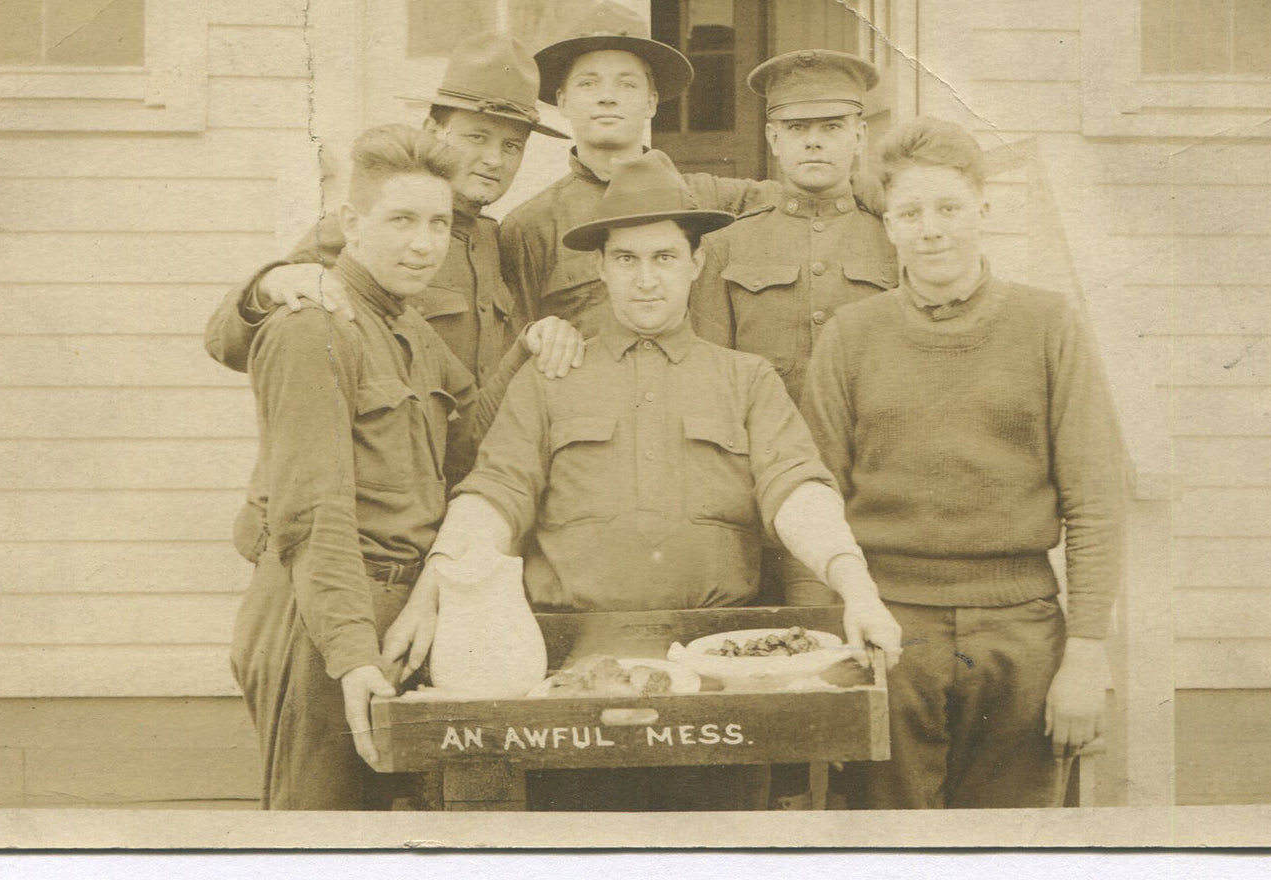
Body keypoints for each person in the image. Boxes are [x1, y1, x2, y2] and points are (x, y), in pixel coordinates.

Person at [383, 150, 903, 811]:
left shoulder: (746, 381)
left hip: (721, 682)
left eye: (662, 258)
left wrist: (855, 587)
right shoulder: (550, 381)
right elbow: (494, 493)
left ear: (696, 264)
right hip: (573, 680)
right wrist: (432, 589)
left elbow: (796, 487)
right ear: (600, 268)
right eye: (625, 260)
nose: (645, 279)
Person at [228, 124, 580, 810]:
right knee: (321, 840)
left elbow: (469, 440)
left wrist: (527, 352)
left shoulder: (405, 326)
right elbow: (311, 515)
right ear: (351, 225)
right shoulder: (315, 326)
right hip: (320, 618)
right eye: (401, 221)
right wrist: (353, 655)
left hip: (388, 614)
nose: (423, 244)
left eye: (438, 224)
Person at [799, 117, 1125, 809]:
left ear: (982, 208)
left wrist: (1086, 652)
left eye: (948, 208)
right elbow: (814, 498)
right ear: (888, 226)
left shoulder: (1047, 325)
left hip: (1020, 637)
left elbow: (1094, 499)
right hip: (886, 635)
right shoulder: (849, 338)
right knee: (880, 853)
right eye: (909, 213)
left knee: (1013, 852)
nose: (931, 230)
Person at [204, 31, 583, 386]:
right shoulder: (369, 225)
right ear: (433, 130)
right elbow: (227, 344)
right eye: (477, 137)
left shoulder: (495, 242)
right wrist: (270, 284)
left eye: (511, 146)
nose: (494, 160)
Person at [499, 1, 782, 338]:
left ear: (651, 102)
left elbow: (805, 198)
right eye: (588, 84)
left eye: (627, 84)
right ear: (562, 101)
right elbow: (519, 341)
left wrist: (862, 189)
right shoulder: (531, 226)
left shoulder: (707, 198)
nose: (607, 97)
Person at [690, 48, 897, 405]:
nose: (813, 140)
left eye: (832, 126)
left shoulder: (894, 239)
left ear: (860, 137)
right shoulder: (725, 245)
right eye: (797, 127)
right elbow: (710, 375)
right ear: (773, 139)